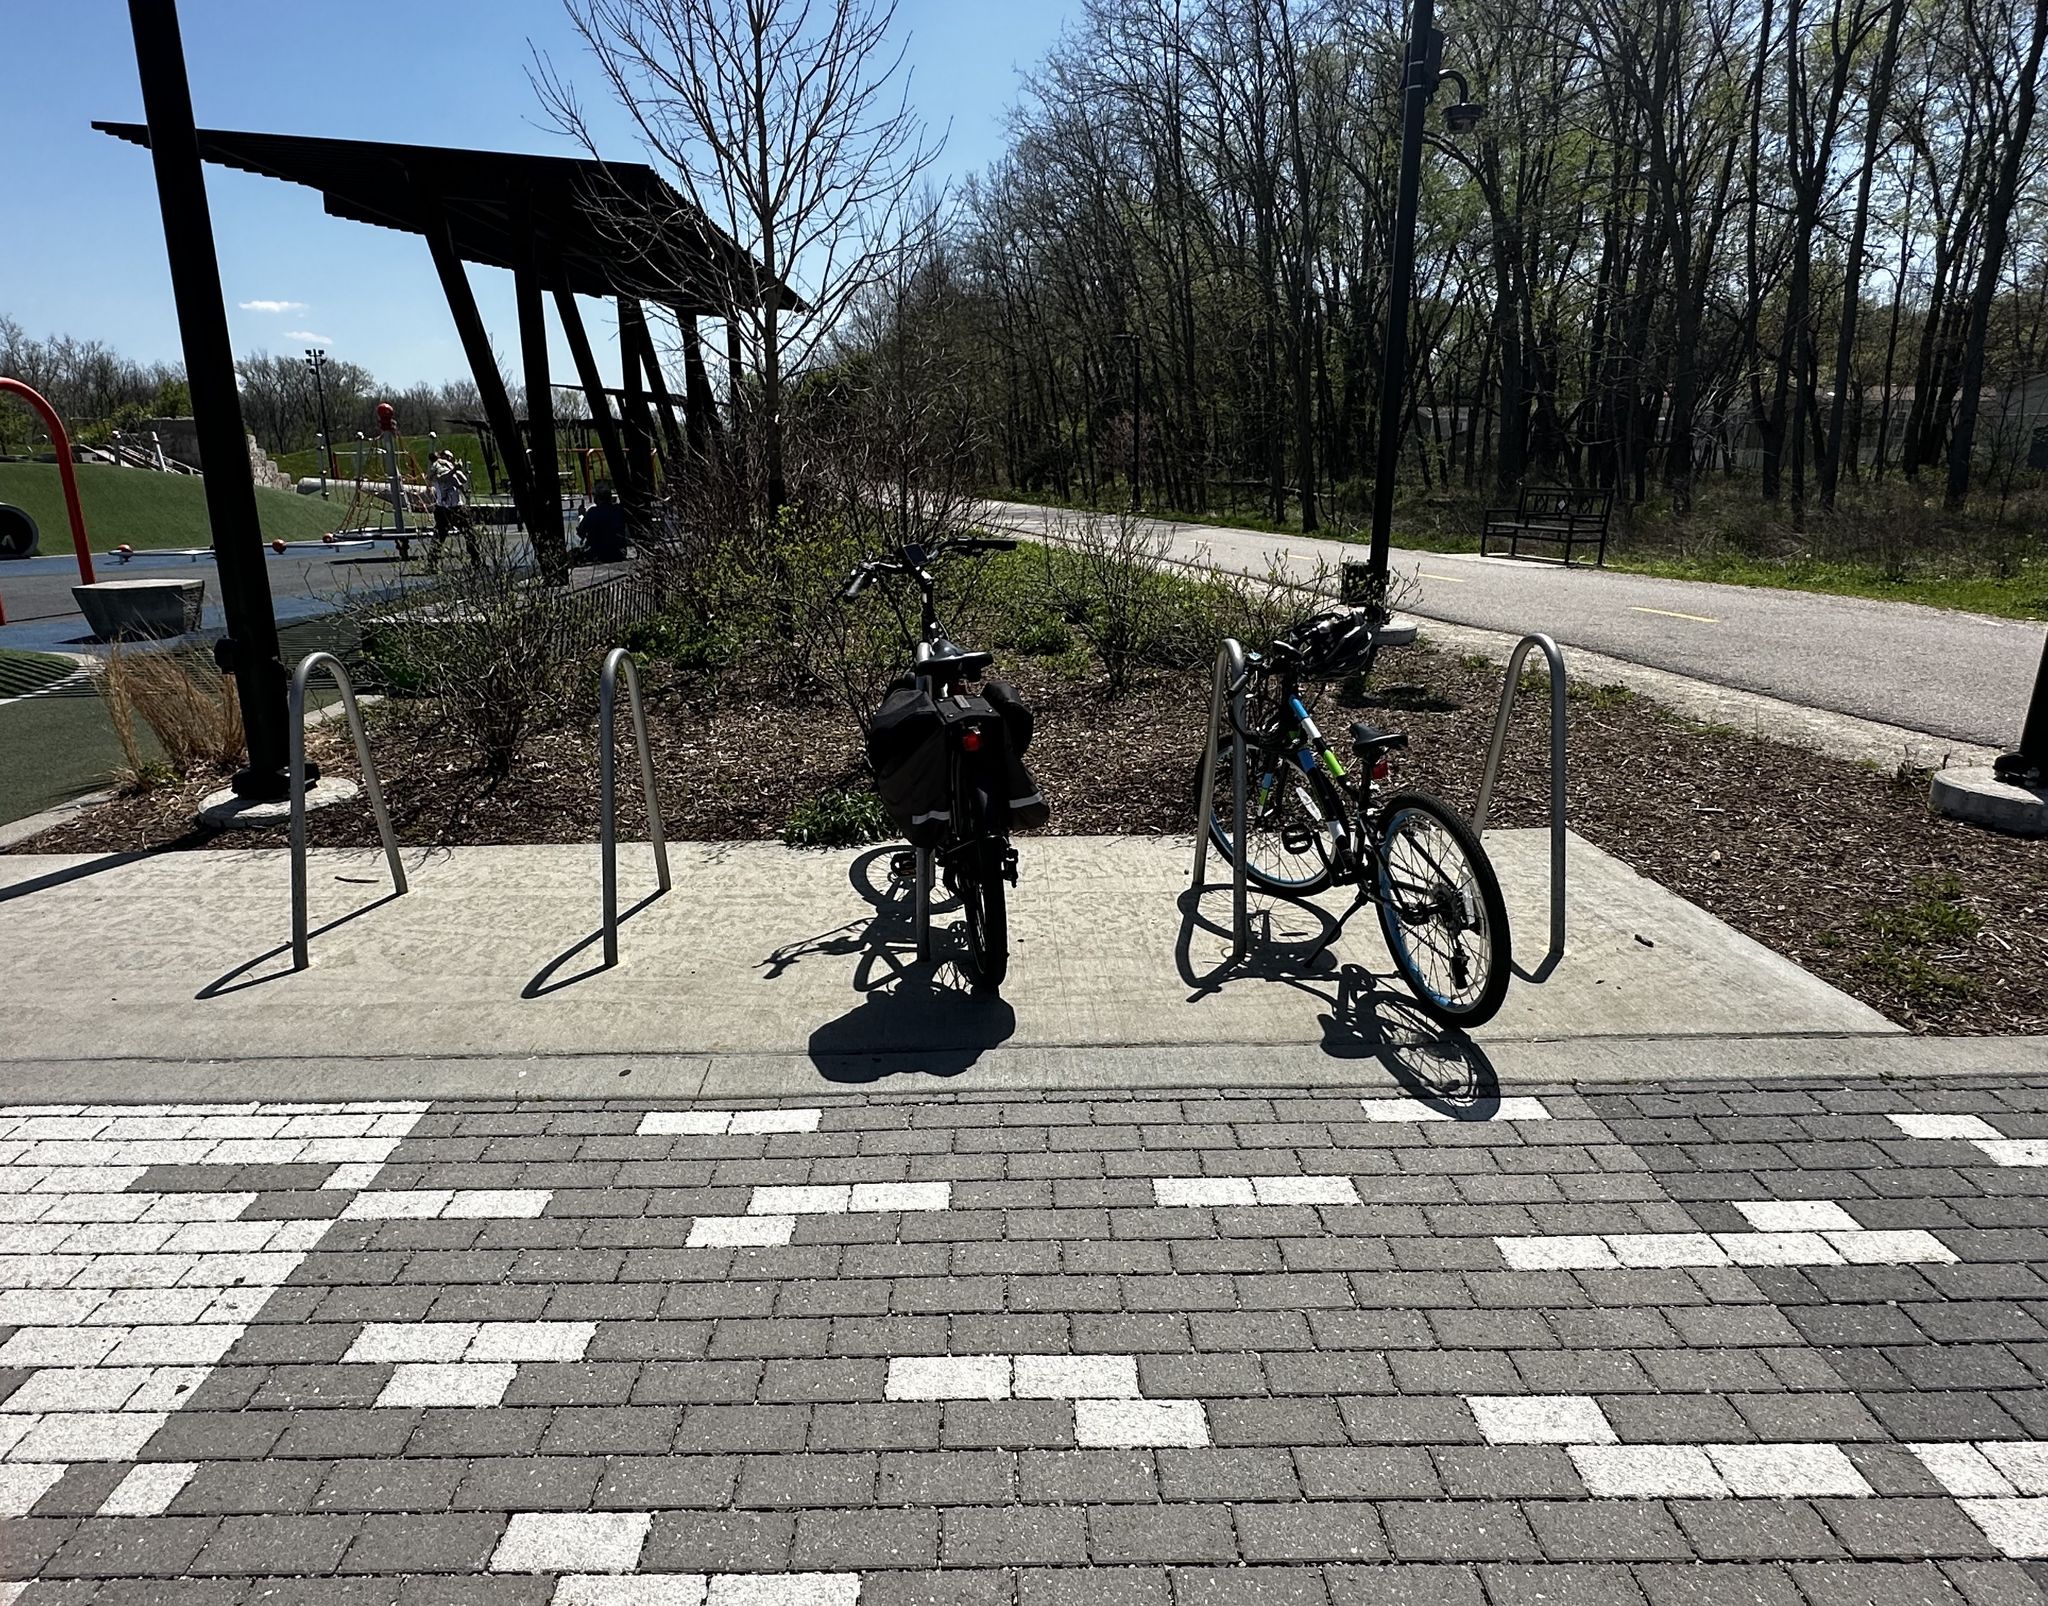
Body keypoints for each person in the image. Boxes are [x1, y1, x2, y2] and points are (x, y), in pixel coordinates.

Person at [429, 449, 472, 568]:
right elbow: (441, 478)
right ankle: (432, 563)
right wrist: (454, 470)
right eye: (447, 457)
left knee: (470, 534)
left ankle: (476, 559)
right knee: (439, 536)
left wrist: (456, 470)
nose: (449, 459)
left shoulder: (450, 468)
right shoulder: (436, 466)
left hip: (457, 506)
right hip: (443, 508)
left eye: (450, 458)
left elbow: (462, 480)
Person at [573, 483, 630, 564]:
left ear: (597, 498)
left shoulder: (592, 512)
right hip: (618, 553)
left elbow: (581, 533)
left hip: (598, 553)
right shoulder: (619, 510)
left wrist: (582, 516)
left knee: (574, 554)